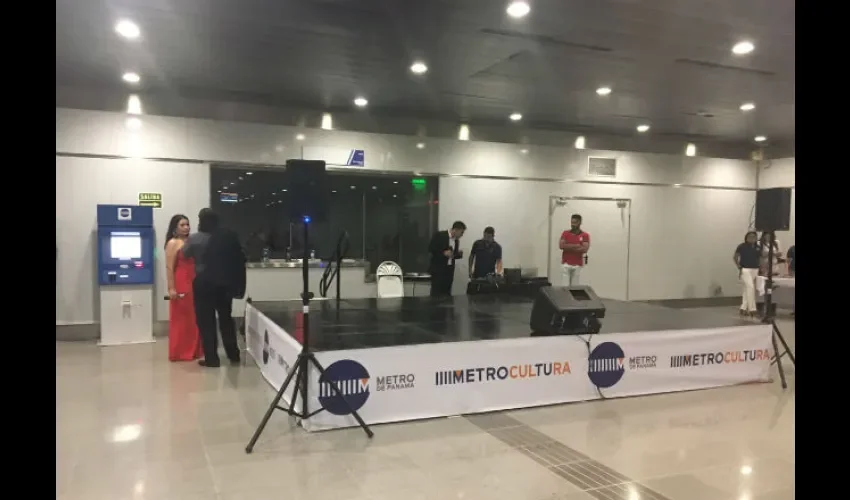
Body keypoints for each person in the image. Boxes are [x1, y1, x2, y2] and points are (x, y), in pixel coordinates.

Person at [183, 208, 247, 368]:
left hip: (203, 284)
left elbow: (184, 254)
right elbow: (239, 258)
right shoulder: (227, 236)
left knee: (206, 322)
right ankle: (233, 354)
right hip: (224, 285)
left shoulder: (195, 239)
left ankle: (212, 358)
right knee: (226, 319)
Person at [165, 214, 203, 362]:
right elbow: (169, 267)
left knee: (194, 317)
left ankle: (194, 350)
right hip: (181, 281)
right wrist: (171, 288)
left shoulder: (191, 241)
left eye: (187, 224)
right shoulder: (173, 243)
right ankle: (180, 351)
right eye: (182, 225)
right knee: (182, 318)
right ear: (175, 227)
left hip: (195, 281)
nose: (186, 227)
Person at [428, 221, 466, 297]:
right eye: (461, 232)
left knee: (447, 293)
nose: (462, 235)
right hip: (438, 269)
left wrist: (457, 254)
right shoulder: (440, 235)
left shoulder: (456, 241)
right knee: (436, 293)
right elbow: (431, 248)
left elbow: (452, 255)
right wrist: (443, 253)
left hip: (449, 270)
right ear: (456, 230)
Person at [734, 231, 761, 317]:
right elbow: (735, 257)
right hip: (745, 269)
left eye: (754, 237)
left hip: (755, 269)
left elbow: (759, 258)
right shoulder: (742, 246)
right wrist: (739, 266)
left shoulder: (758, 247)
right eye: (750, 237)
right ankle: (752, 309)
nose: (752, 238)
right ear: (746, 238)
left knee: (747, 289)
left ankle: (743, 308)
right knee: (750, 287)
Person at [559, 214, 590, 286]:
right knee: (564, 287)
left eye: (575, 223)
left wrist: (568, 246)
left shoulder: (585, 235)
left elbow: (585, 249)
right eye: (572, 222)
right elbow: (561, 246)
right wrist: (577, 246)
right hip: (566, 264)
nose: (572, 224)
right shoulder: (565, 233)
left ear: (580, 223)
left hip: (577, 264)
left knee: (575, 287)